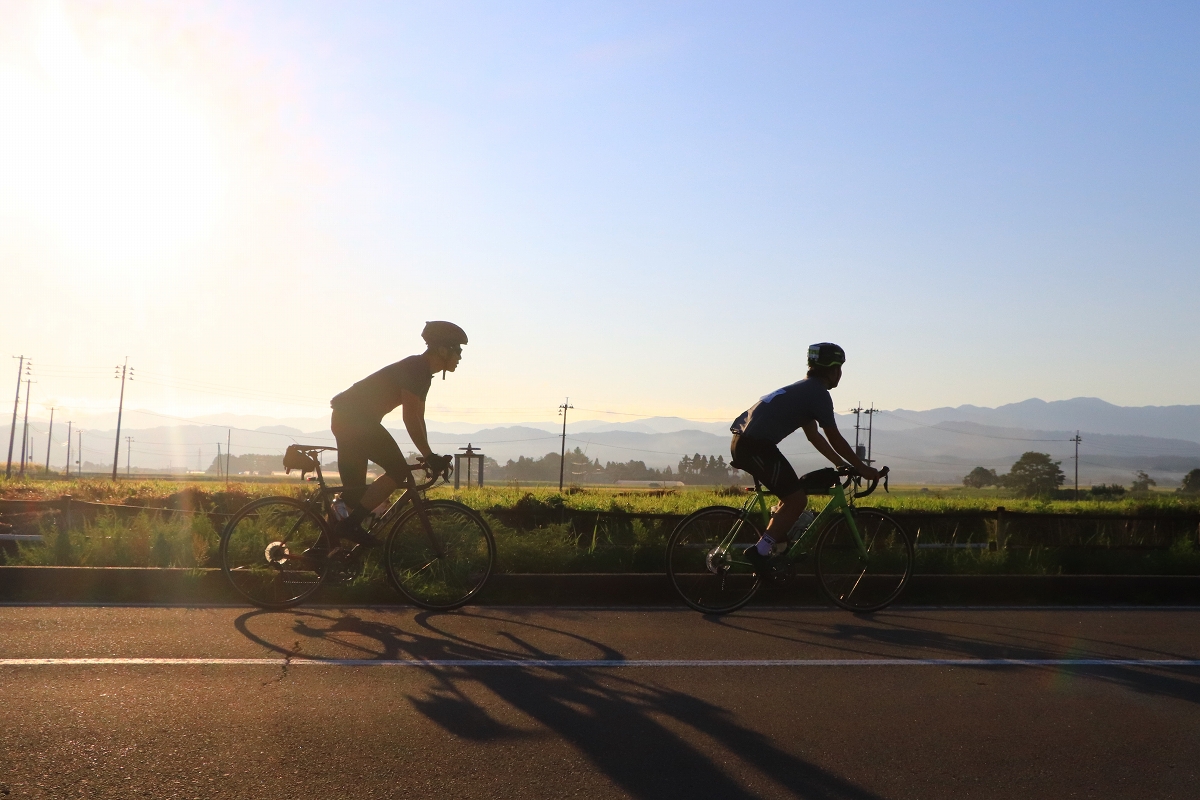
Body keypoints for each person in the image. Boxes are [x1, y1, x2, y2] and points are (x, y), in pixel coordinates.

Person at [729, 342, 881, 572]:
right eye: (840, 368)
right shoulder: (818, 394)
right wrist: (862, 467)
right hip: (755, 446)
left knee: (791, 493)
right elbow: (834, 437)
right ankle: (759, 552)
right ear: (832, 370)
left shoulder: (804, 390)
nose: (840, 374)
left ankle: (774, 549)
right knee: (797, 500)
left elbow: (815, 436)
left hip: (746, 442)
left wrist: (841, 464)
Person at [326, 321, 467, 548]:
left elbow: (418, 418)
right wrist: (429, 455)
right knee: (399, 471)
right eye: (457, 350)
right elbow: (410, 418)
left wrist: (430, 453)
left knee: (355, 496)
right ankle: (350, 526)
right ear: (442, 350)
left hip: (348, 420)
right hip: (355, 421)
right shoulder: (416, 369)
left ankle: (319, 553)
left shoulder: (422, 372)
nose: (460, 357)